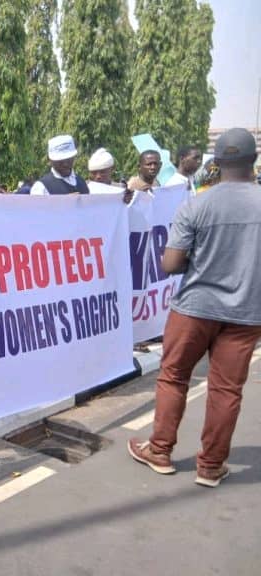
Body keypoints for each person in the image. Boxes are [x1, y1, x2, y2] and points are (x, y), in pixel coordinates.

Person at [127, 128, 261, 488]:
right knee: (226, 389)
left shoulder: (197, 204)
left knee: (174, 376)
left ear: (216, 163)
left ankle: (159, 451)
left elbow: (170, 264)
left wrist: (200, 260)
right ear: (253, 160)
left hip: (194, 308)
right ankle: (211, 466)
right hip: (246, 312)